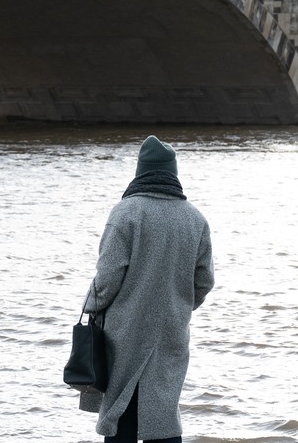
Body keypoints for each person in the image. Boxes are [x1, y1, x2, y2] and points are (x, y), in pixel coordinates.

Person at [80, 136, 214, 443]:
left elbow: (107, 278)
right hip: (171, 330)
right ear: (173, 174)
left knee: (120, 413)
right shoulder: (195, 219)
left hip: (124, 332)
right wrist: (178, 306)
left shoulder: (126, 214)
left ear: (140, 173)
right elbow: (204, 280)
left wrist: (91, 306)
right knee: (163, 413)